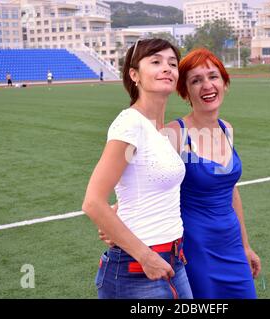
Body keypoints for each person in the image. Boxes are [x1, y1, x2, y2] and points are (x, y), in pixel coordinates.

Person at [82, 38, 193, 299]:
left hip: (174, 259)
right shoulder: (130, 124)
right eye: (155, 62)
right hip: (138, 267)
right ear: (135, 75)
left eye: (172, 63)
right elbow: (93, 202)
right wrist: (145, 257)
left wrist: (121, 209)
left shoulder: (160, 131)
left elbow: (144, 186)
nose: (167, 68)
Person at [166, 48, 261, 298]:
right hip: (197, 251)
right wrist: (118, 211)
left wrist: (246, 246)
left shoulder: (226, 128)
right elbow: (145, 184)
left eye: (213, 76)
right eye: (196, 80)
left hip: (232, 246)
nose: (207, 85)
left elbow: (231, 191)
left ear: (225, 83)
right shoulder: (174, 133)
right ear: (185, 91)